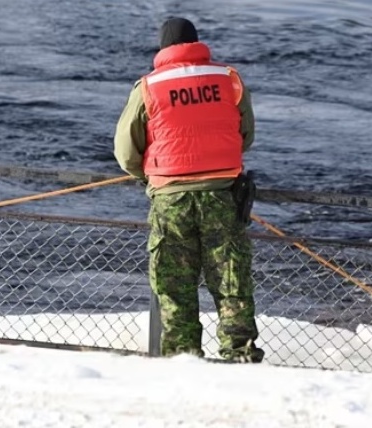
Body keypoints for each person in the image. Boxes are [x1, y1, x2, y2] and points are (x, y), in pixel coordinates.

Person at [113, 17, 264, 363]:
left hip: (171, 199)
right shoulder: (228, 79)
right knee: (232, 284)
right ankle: (240, 358)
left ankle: (183, 361)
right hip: (222, 196)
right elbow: (246, 135)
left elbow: (125, 151)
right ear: (198, 44)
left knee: (175, 288)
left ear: (163, 48)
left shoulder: (149, 86)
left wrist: (148, 176)